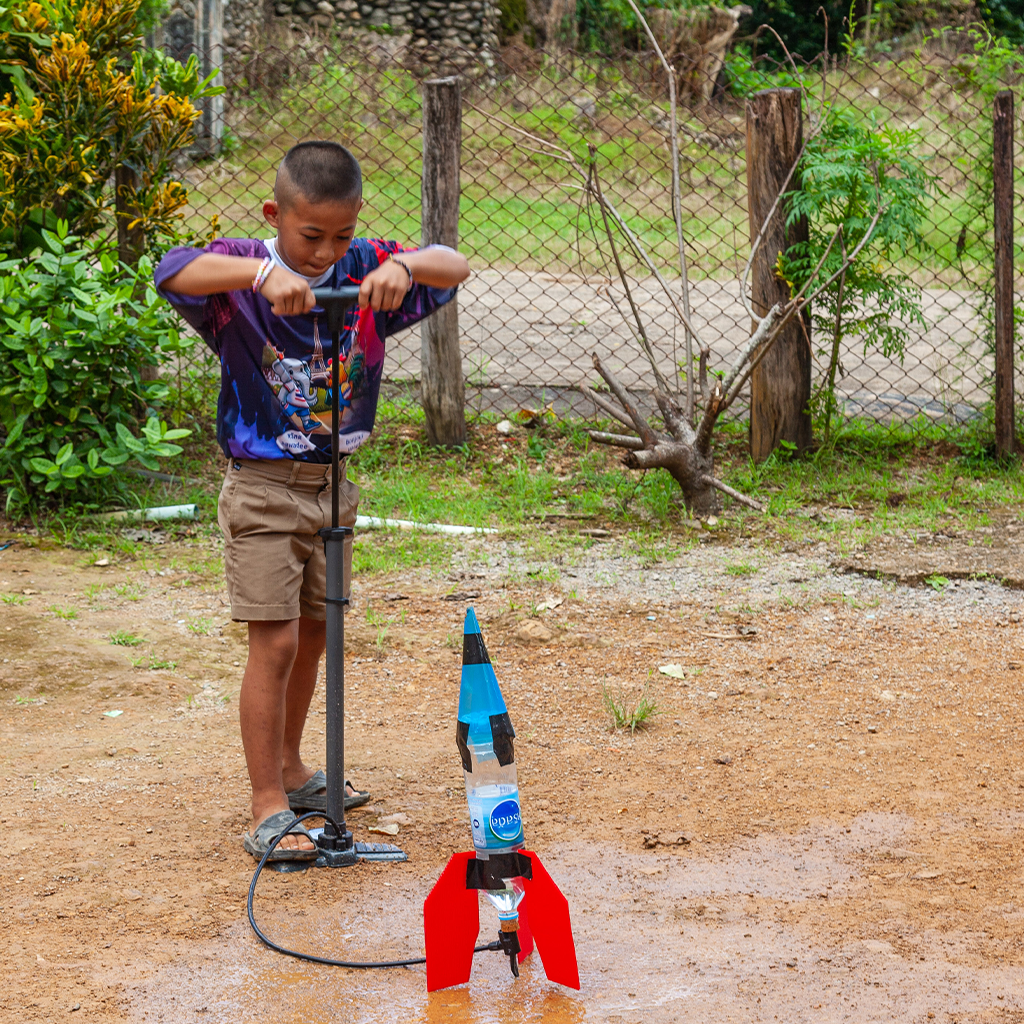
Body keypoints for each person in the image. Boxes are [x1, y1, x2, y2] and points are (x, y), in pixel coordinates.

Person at [155, 141, 470, 861]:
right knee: (276, 642)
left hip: (333, 488)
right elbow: (171, 269)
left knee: (317, 633)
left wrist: (402, 264)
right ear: (275, 215)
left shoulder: (366, 271)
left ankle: (295, 771)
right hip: (264, 488)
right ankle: (268, 806)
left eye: (343, 236)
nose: (327, 253)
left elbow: (453, 264)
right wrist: (265, 273)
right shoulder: (241, 274)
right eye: (309, 236)